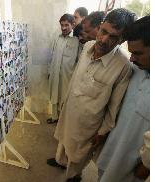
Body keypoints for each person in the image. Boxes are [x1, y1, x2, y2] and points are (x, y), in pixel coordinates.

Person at [49, 8, 137, 181]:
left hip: (88, 124)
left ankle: (74, 177)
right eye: (104, 31)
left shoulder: (123, 66)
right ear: (101, 26)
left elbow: (114, 105)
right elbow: (76, 79)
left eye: (113, 37)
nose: (104, 40)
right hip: (70, 111)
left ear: (122, 40)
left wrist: (103, 131)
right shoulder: (88, 46)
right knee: (64, 144)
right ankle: (60, 161)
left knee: (78, 158)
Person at [97, 16, 150, 182]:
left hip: (132, 170)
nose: (132, 58)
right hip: (109, 153)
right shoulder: (135, 70)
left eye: (138, 53)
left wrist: (147, 165)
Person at [47, 14, 79, 124]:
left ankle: (63, 121)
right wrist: (49, 71)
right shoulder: (57, 38)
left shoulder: (77, 40)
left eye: (67, 25)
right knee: (54, 96)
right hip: (55, 74)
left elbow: (79, 60)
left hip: (68, 76)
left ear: (73, 25)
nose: (64, 28)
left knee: (65, 98)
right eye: (62, 25)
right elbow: (51, 56)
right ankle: (54, 117)